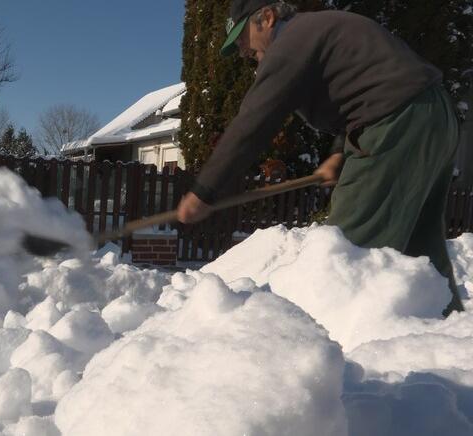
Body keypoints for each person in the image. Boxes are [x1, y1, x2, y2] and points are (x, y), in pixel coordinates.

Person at [175, 0, 464, 314]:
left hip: (396, 123)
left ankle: (329, 350)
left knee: (348, 255)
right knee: (421, 249)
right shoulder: (317, 32)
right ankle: (445, 336)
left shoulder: (291, 42)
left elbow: (253, 122)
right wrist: (340, 152)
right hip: (434, 117)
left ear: (267, 18)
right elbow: (364, 86)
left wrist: (204, 190)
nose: (243, 51)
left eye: (243, 37)